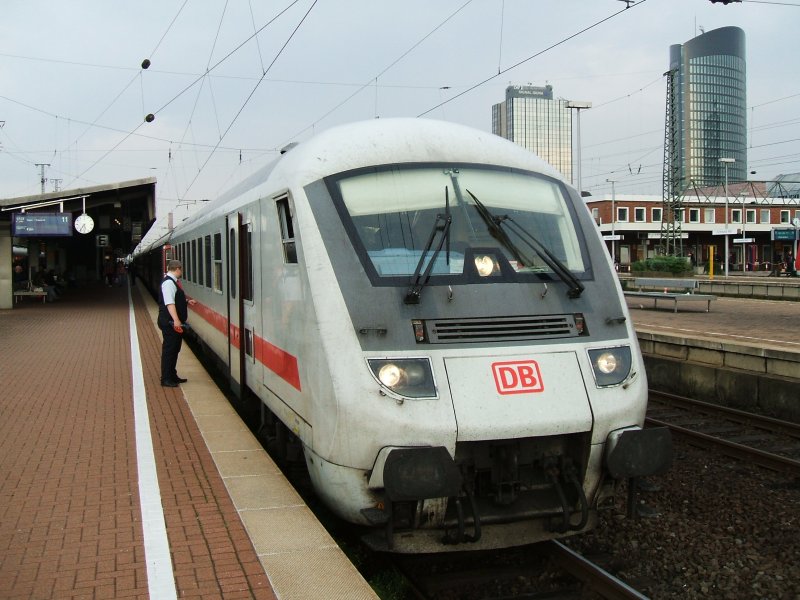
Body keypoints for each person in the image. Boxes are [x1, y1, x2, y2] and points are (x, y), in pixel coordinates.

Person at [157, 260, 196, 387]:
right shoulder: (169, 283)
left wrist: (186, 301)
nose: (181, 272)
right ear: (178, 269)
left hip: (171, 322)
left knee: (175, 349)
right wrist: (176, 321)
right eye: (181, 269)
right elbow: (169, 303)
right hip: (169, 322)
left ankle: (172, 375)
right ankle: (166, 378)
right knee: (170, 350)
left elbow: (175, 298)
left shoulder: (172, 282)